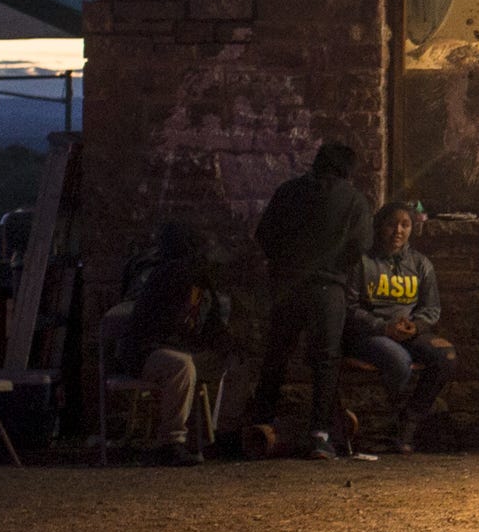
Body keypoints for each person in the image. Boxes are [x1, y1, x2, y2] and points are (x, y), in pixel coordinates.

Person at [250, 141, 375, 459]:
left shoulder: (288, 191)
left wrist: (286, 266)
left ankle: (260, 422)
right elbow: (359, 245)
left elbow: (265, 235)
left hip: (288, 286)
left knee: (276, 355)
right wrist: (334, 269)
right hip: (327, 289)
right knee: (325, 361)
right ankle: (320, 435)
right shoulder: (354, 200)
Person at [109, 223, 235, 466]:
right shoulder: (168, 274)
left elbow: (206, 325)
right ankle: (171, 441)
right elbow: (170, 328)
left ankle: (221, 434)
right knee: (181, 366)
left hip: (178, 348)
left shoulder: (199, 284)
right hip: (147, 351)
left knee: (233, 362)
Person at [347, 200, 457, 453]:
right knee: (398, 361)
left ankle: (410, 420)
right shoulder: (362, 262)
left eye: (405, 225)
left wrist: (416, 326)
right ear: (380, 227)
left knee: (447, 357)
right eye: (391, 224)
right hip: (371, 334)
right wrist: (383, 327)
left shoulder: (420, 264)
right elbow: (350, 307)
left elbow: (432, 309)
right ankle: (385, 426)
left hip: (407, 332)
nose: (398, 231)